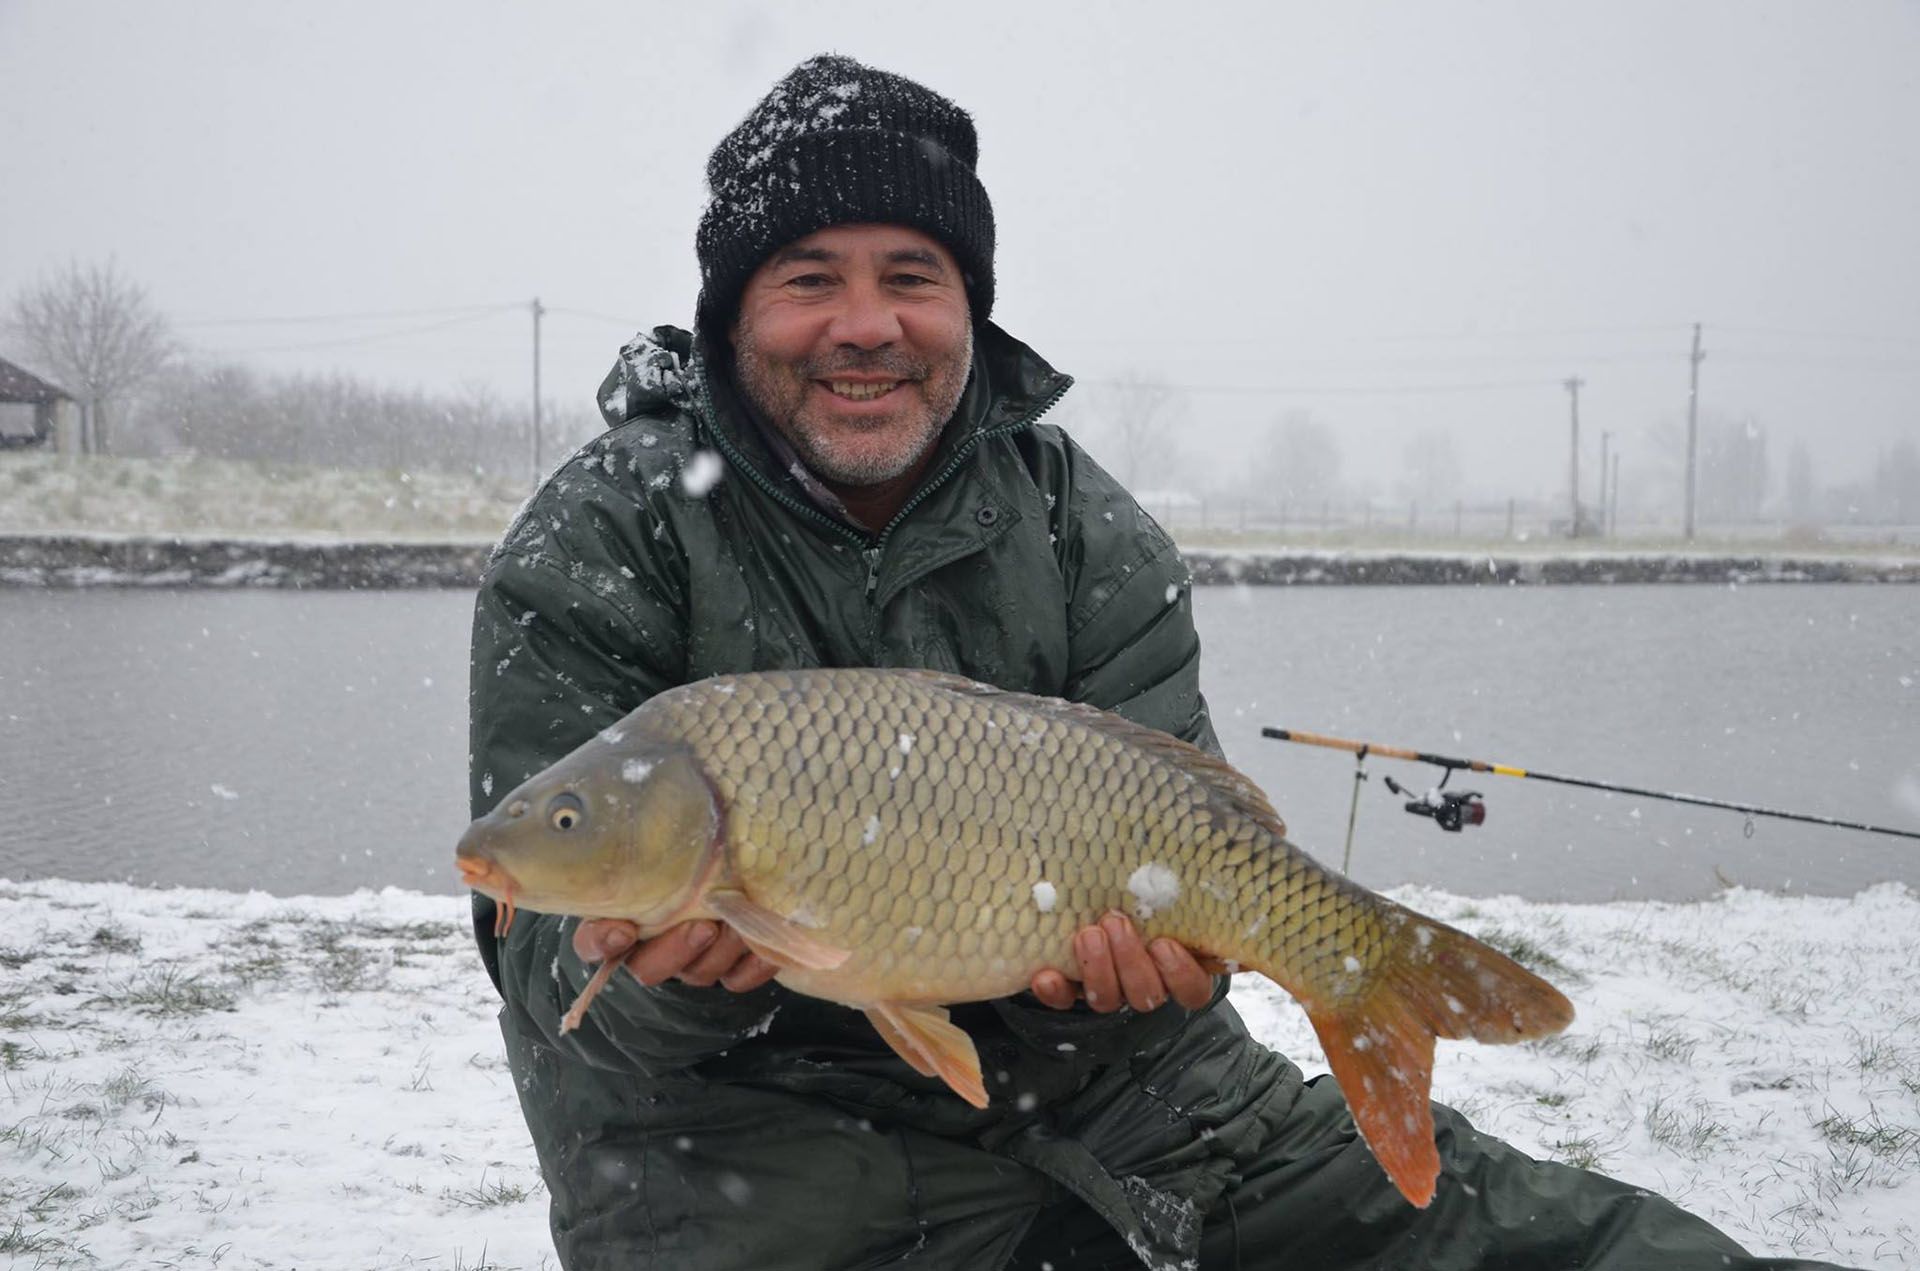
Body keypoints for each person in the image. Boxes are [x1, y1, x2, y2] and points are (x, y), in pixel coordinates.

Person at [467, 54, 1854, 1271]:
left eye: (913, 278)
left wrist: (1175, 974)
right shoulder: (602, 535)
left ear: (970, 309)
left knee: (1538, 1245)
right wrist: (656, 979)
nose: (866, 324)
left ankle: (1374, 988)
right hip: (743, 1165)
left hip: (1124, 1090)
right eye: (806, 280)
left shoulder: (1082, 525)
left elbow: (1178, 835)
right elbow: (545, 967)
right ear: (729, 314)